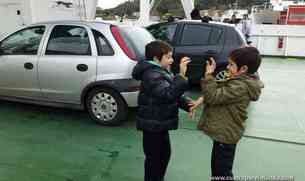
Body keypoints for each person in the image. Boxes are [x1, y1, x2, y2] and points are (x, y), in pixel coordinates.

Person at [190, 46, 264, 180]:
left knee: (221, 172)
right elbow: (219, 90)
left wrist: (208, 76)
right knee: (219, 170)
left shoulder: (240, 86)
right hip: (225, 133)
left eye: (231, 64)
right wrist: (201, 99)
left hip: (226, 134)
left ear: (243, 69)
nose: (228, 67)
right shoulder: (239, 80)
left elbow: (214, 96)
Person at [132, 40, 194, 181]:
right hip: (152, 126)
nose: (172, 60)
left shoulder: (160, 71)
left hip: (159, 124)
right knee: (155, 161)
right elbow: (167, 94)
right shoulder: (151, 75)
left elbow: (171, 92)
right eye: (168, 57)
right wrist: (182, 76)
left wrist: (187, 104)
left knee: (164, 155)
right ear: (156, 58)